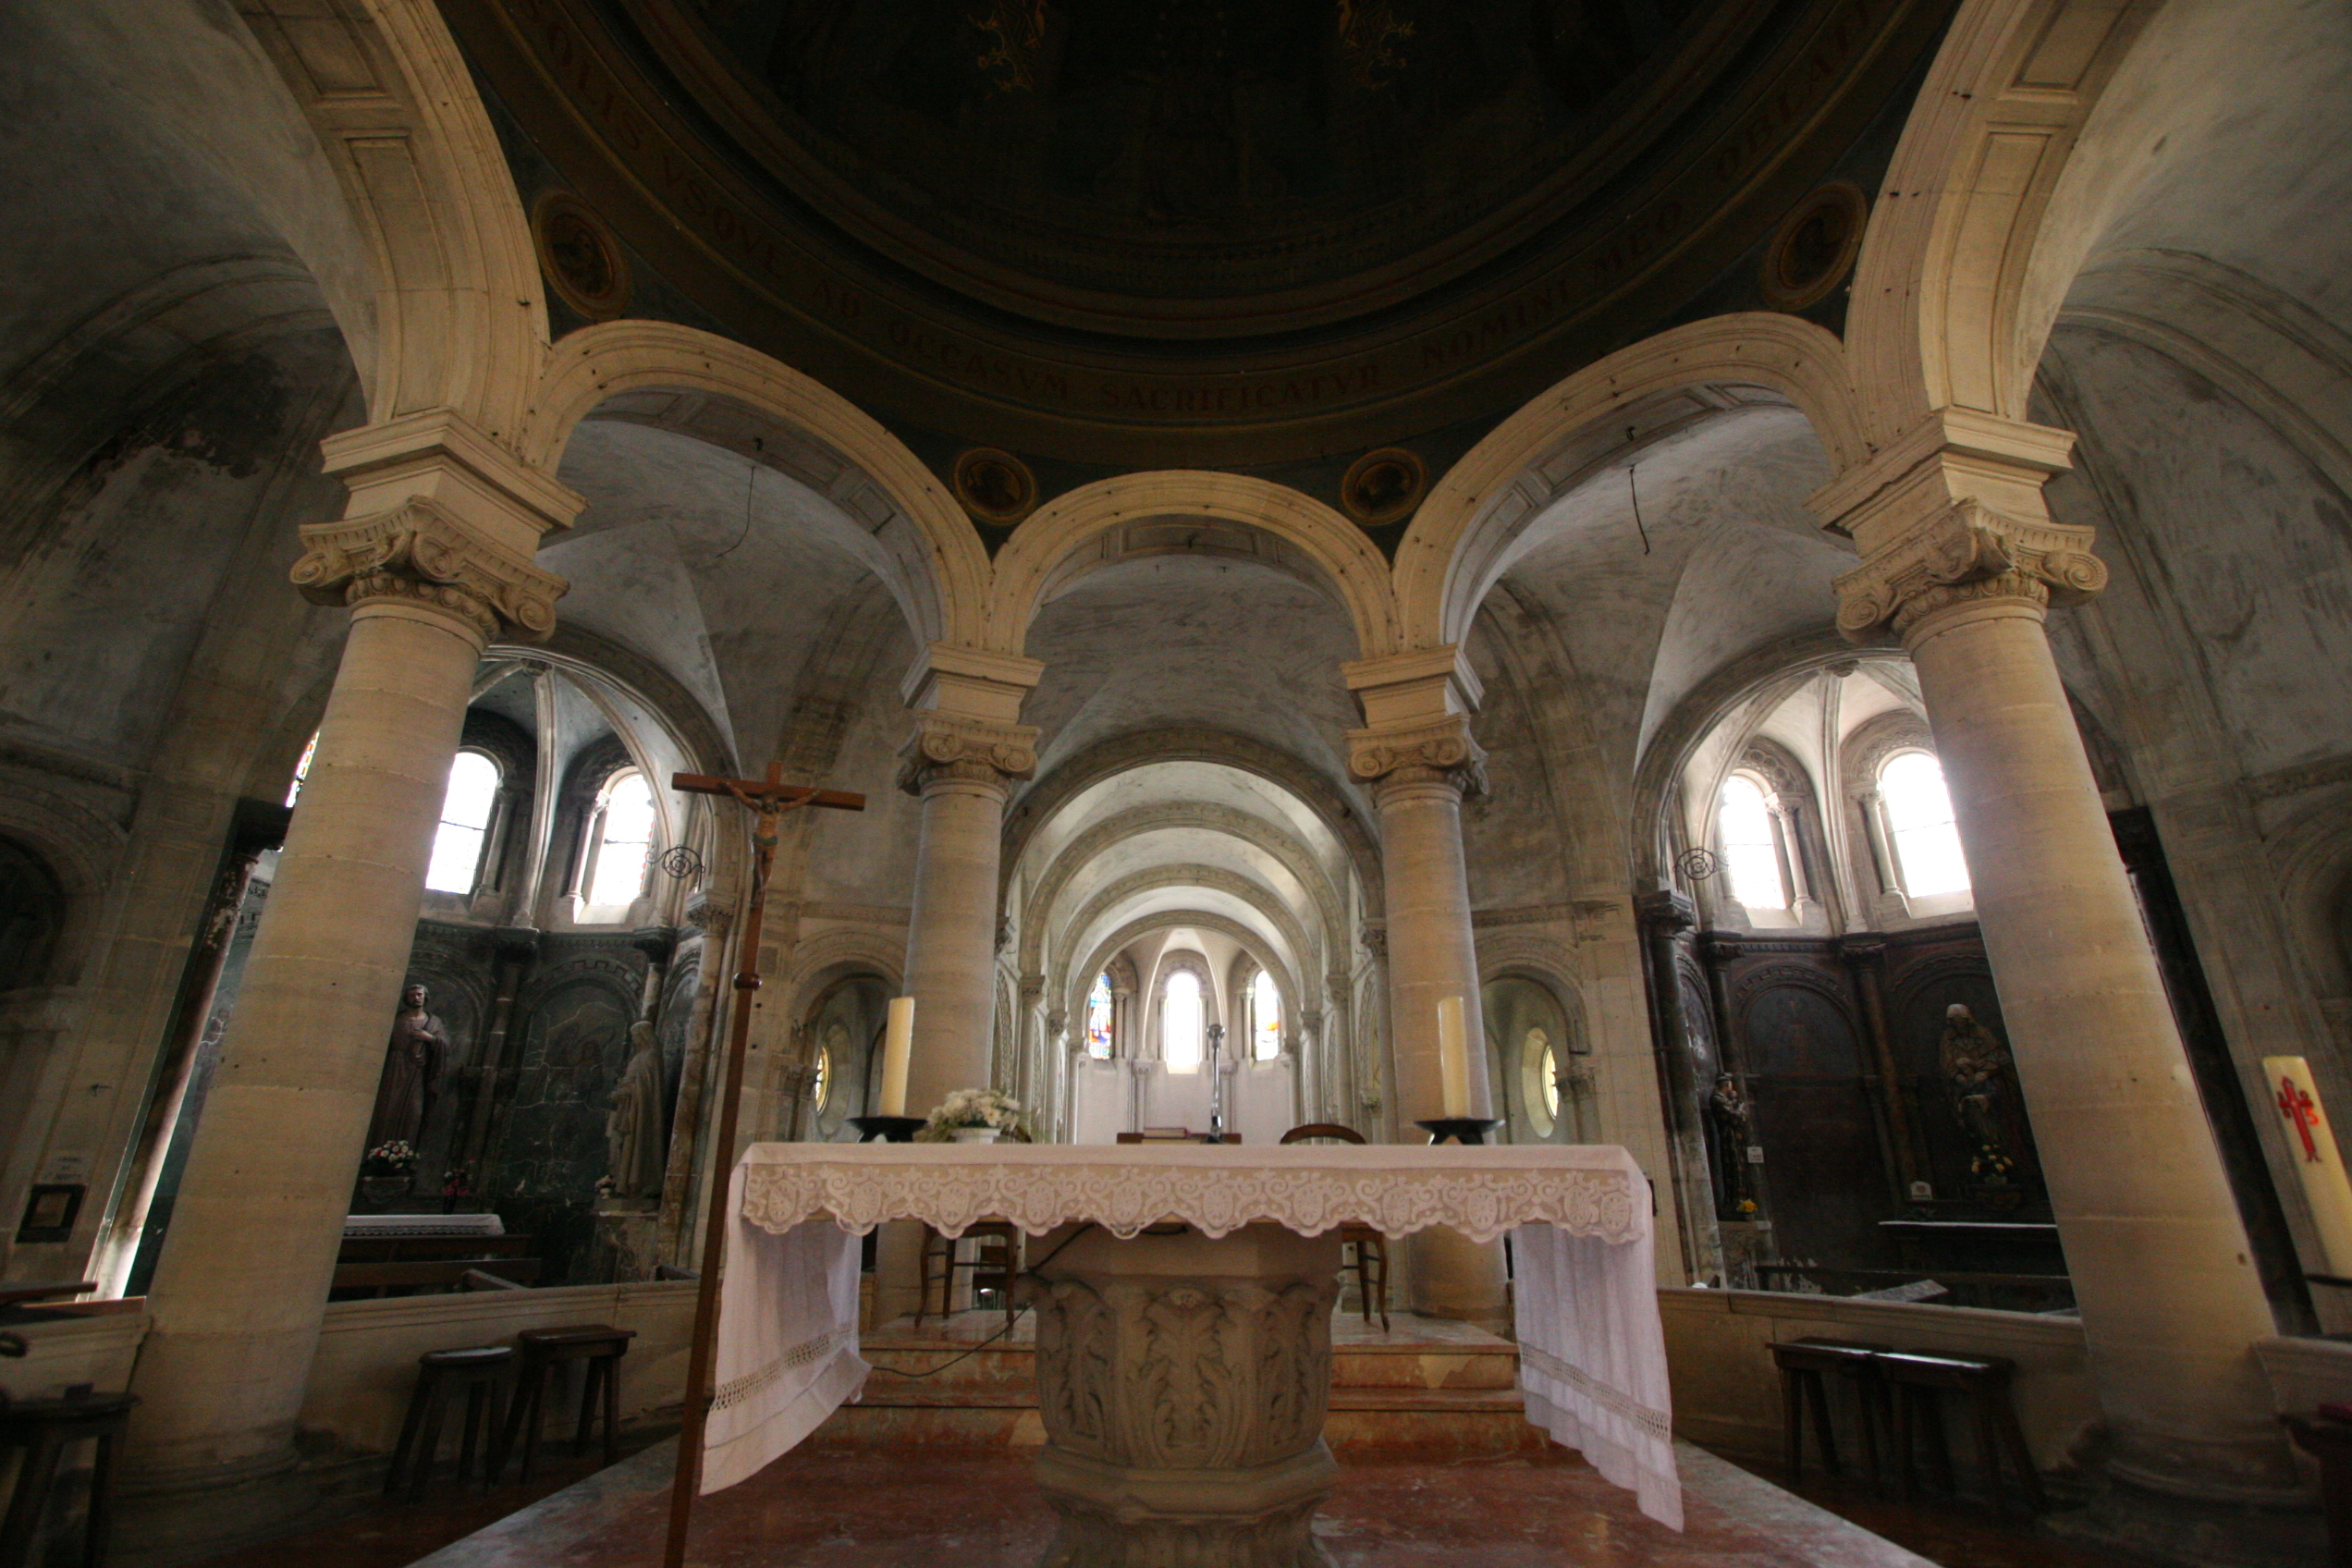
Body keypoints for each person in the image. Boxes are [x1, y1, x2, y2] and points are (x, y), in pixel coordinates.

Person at [369, 983, 449, 1151]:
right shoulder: (396, 1019)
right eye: (412, 995)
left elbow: (445, 1046)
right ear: (406, 998)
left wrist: (431, 1039)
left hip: (417, 1073)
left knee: (415, 1113)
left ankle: (406, 1153)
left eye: (419, 994)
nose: (416, 998)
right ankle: (380, 1150)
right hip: (394, 1069)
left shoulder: (433, 1022)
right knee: (387, 1111)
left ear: (425, 997)